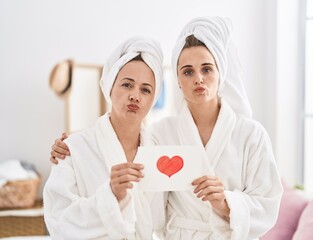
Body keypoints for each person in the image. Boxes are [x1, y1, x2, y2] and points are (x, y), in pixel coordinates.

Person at [50, 17, 283, 240]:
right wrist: (73, 143)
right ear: (178, 81)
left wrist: (227, 203)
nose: (198, 79)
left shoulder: (252, 135)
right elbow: (120, 141)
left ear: (220, 73)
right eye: (188, 71)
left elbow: (268, 203)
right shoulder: (162, 135)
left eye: (207, 69)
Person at [43, 36, 164, 239]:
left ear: (153, 98)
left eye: (146, 89)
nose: (135, 95)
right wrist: (110, 196)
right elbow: (58, 218)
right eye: (127, 85)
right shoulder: (73, 148)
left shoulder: (159, 151)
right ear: (110, 86)